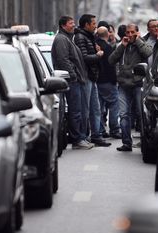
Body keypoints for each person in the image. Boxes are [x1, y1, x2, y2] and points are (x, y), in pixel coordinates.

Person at [51, 16, 94, 150]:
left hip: (77, 80)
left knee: (79, 110)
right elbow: (63, 60)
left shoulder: (67, 38)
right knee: (75, 111)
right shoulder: (61, 40)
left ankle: (80, 137)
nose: (74, 25)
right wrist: (73, 75)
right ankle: (77, 139)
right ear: (63, 26)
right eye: (71, 23)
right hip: (72, 81)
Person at [108, 24, 152, 152]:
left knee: (140, 114)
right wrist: (122, 46)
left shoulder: (142, 44)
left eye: (133, 32)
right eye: (128, 32)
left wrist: (138, 41)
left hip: (138, 84)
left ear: (137, 32)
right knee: (124, 115)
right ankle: (126, 143)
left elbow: (148, 53)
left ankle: (144, 141)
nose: (130, 34)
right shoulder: (122, 45)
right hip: (123, 85)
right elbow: (111, 60)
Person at [74, 14, 111, 147]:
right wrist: (98, 55)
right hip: (85, 77)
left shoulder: (89, 36)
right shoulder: (80, 37)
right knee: (85, 109)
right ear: (86, 25)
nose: (95, 26)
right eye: (93, 23)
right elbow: (84, 58)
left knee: (96, 108)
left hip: (92, 77)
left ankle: (96, 135)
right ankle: (82, 137)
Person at [95, 26, 121, 139]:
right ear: (107, 35)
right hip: (108, 81)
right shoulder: (108, 48)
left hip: (97, 81)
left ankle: (100, 130)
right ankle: (114, 129)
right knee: (114, 105)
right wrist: (114, 80)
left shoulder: (95, 46)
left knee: (99, 107)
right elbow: (111, 66)